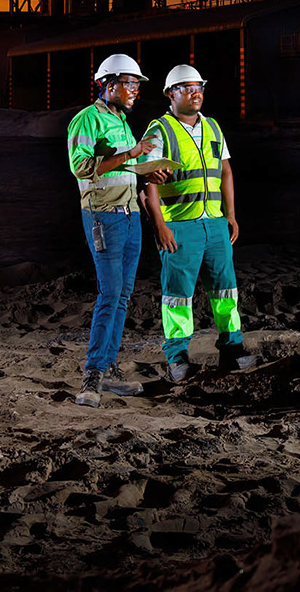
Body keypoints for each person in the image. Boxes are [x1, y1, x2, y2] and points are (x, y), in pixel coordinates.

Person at [140, 63, 256, 382]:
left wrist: (230, 216)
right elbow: (147, 180)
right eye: (187, 87)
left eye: (199, 87)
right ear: (170, 94)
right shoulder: (159, 130)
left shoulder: (214, 127)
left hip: (215, 225)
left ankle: (232, 350)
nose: (195, 93)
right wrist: (160, 225)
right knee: (178, 296)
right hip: (180, 226)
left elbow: (226, 171)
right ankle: (177, 358)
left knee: (226, 291)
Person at [66, 53, 169, 408]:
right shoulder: (86, 120)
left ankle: (108, 368)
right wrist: (133, 154)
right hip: (103, 216)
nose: (134, 92)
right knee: (109, 295)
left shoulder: (122, 122)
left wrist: (148, 170)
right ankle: (92, 376)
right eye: (129, 84)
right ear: (108, 84)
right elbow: (82, 167)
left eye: (137, 86)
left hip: (129, 217)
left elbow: (128, 164)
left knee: (123, 295)